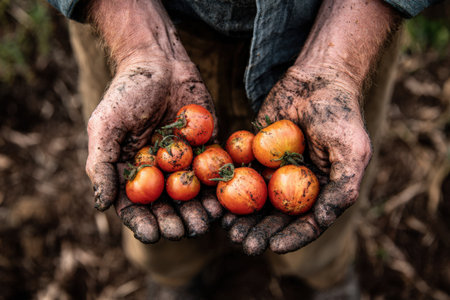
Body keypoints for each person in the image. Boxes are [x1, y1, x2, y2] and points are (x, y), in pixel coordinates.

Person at [48, 0, 438, 298]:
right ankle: (174, 277)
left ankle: (326, 274)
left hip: (342, 25)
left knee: (332, 188)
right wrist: (137, 44)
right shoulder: (194, 157)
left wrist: (339, 63)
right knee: (159, 235)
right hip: (134, 21)